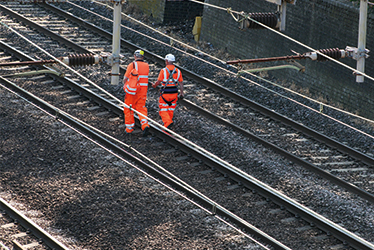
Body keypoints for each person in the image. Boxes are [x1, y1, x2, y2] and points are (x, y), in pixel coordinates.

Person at [152, 54, 184, 129]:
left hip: (165, 94)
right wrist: (181, 93)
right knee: (170, 109)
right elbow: (181, 83)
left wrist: (154, 85)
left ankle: (168, 122)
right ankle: (168, 124)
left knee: (163, 109)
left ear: (166, 61)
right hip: (174, 94)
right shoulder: (178, 71)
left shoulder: (163, 71)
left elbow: (159, 81)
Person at [123, 49, 150, 137]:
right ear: (142, 57)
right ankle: (145, 125)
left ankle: (129, 129)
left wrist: (126, 85)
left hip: (132, 91)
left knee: (129, 108)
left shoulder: (132, 65)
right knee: (141, 108)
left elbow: (125, 78)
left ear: (135, 56)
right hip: (143, 91)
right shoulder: (146, 66)